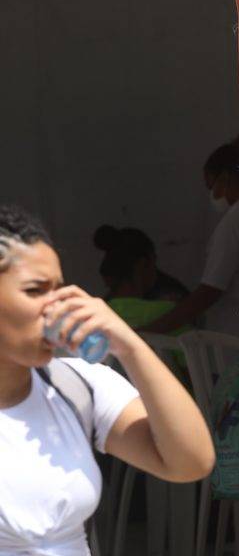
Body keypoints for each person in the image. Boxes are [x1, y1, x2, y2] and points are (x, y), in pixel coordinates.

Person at [0, 204, 215, 555]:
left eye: (59, 290)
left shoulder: (76, 385)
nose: (54, 307)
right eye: (36, 290)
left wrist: (129, 345)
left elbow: (190, 462)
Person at [146, 138, 239, 340]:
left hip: (233, 335)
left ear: (225, 178)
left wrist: (151, 332)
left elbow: (210, 290)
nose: (212, 194)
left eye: (211, 186)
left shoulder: (235, 219)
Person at [94, 224, 189, 303]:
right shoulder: (112, 301)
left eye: (117, 286)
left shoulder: (172, 298)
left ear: (144, 263)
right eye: (113, 288)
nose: (115, 294)